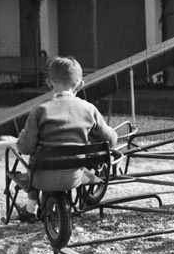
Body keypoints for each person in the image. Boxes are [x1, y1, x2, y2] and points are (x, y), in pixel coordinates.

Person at [15, 56, 118, 223]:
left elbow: (25, 147)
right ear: (81, 84)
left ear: (49, 83)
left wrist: (20, 138)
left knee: (31, 160)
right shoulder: (88, 109)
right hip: (74, 178)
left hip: (42, 179)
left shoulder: (39, 111)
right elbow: (111, 141)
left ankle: (30, 207)